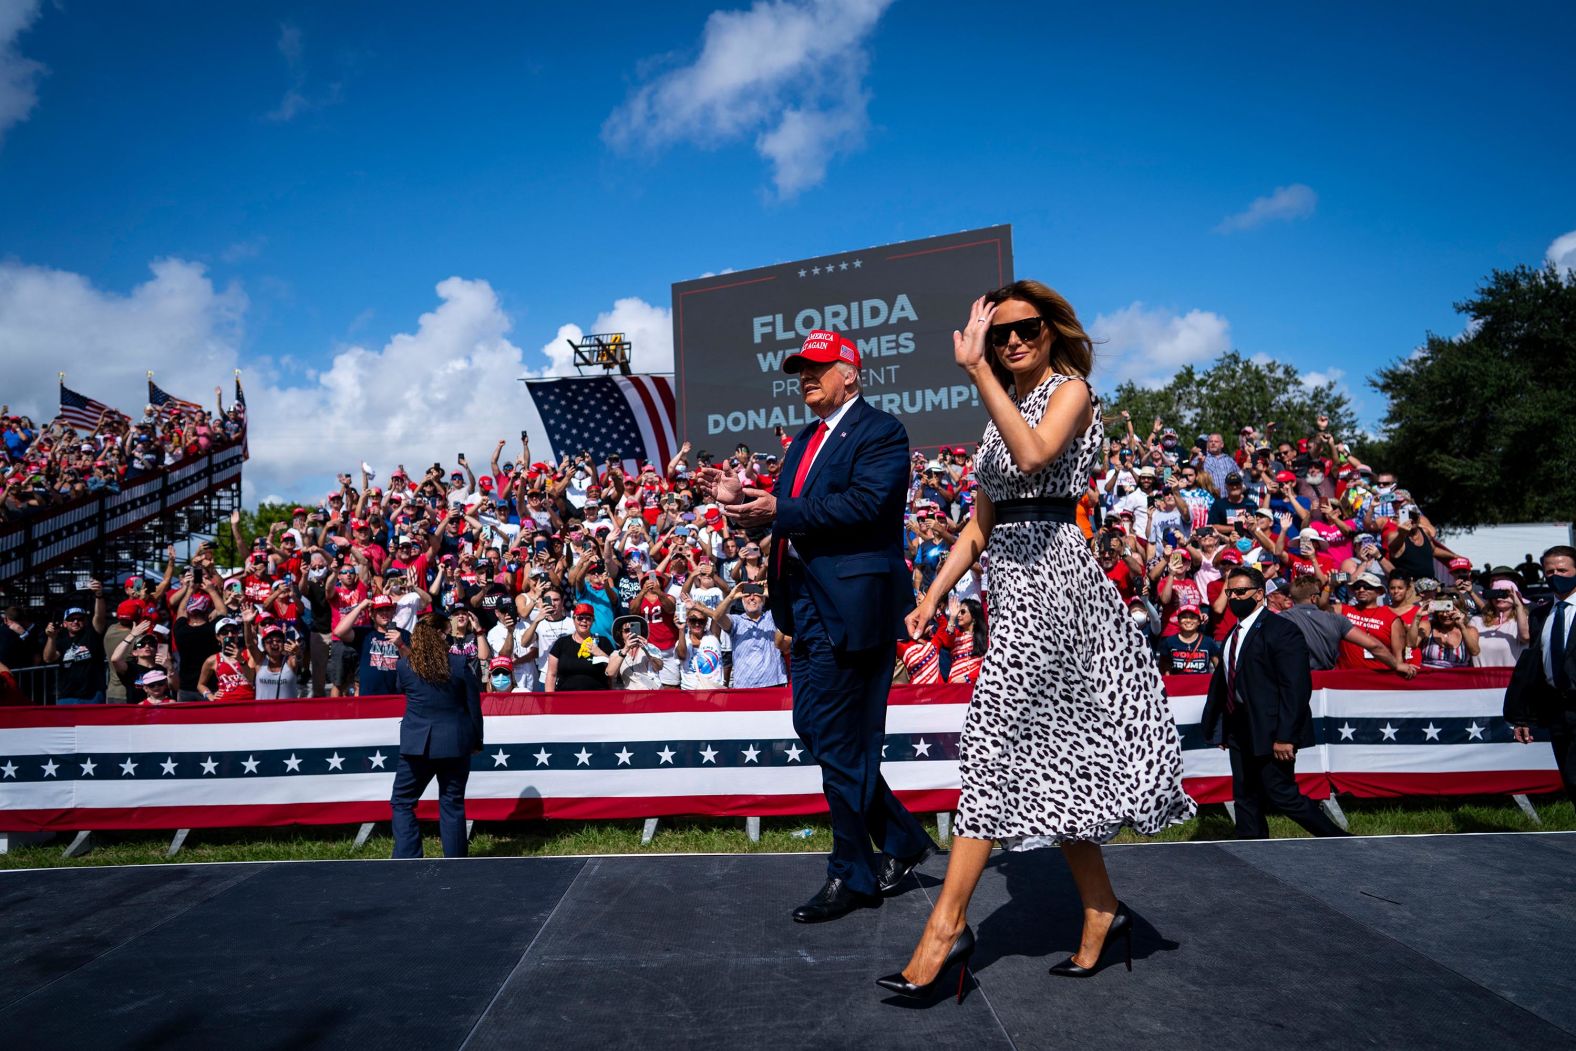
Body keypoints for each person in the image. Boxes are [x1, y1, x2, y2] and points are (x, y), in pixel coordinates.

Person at [880, 283, 1193, 1003]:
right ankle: (1102, 911)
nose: (1012, 341)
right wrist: (932, 595)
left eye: (1024, 329)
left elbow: (1033, 458)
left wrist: (978, 373)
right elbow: (979, 524)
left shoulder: (1070, 391)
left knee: (992, 742)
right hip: (1010, 589)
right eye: (1000, 334)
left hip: (1058, 585)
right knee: (1050, 757)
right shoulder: (996, 411)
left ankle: (945, 928)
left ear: (1051, 332)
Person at [700, 327, 936, 926]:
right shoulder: (805, 438)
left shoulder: (882, 431)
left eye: (818, 366)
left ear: (850, 372)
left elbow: (864, 507)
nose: (805, 376)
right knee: (822, 732)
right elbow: (784, 521)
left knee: (839, 739)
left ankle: (851, 873)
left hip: (853, 608)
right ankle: (903, 840)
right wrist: (742, 502)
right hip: (802, 607)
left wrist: (779, 508)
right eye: (800, 368)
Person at [1201, 566, 1349, 840]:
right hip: (1239, 727)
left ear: (1259, 595)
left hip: (1272, 729)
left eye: (1240, 591)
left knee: (1281, 792)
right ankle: (1251, 845)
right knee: (1244, 793)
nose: (1233, 597)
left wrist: (1285, 736)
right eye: (1229, 592)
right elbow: (1226, 683)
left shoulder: (1282, 630)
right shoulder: (1233, 634)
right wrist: (1223, 727)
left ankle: (1335, 838)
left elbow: (1295, 688)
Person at [391, 613, 484, 858]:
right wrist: (476, 741)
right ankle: (455, 863)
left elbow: (401, 687)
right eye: (448, 633)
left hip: (417, 745)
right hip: (455, 743)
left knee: (402, 802)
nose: (451, 638)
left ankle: (407, 860)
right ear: (441, 635)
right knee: (452, 803)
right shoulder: (459, 664)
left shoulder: (404, 666)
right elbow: (474, 706)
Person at [1505, 546, 1576, 802]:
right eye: (1550, 571)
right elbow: (1533, 667)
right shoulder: (1541, 614)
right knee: (1572, 779)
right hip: (1558, 710)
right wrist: (1521, 716)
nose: (1556, 575)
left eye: (1562, 570)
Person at [1279, 576, 1418, 677]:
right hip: (1339, 679)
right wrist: (1330, 586)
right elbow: (1321, 608)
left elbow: (1397, 652)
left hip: (1375, 678)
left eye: (1367, 586)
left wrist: (1398, 665)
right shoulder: (1340, 613)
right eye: (1357, 587)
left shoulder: (1391, 617)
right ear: (1314, 597)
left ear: (1379, 591)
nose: (1361, 590)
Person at [708, 581, 787, 688]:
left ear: (763, 599)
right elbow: (717, 617)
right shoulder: (736, 621)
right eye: (747, 594)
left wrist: (770, 593)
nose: (752, 597)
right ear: (742, 599)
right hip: (744, 685)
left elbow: (789, 608)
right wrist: (731, 596)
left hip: (773, 683)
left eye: (756, 594)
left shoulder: (772, 616)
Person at [44, 599, 110, 705]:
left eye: (80, 619)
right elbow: (48, 658)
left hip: (92, 696)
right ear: (65, 624)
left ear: (85, 621)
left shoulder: (92, 635)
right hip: (67, 696)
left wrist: (99, 595)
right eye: (71, 619)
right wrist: (51, 638)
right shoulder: (61, 641)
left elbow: (100, 616)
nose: (75, 622)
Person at [544, 603, 612, 692]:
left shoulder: (603, 642)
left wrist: (600, 654)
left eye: (588, 618)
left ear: (593, 621)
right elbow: (551, 674)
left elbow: (613, 672)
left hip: (596, 699)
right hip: (566, 699)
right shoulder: (562, 643)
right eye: (580, 618)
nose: (584, 621)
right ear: (574, 619)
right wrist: (549, 701)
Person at [1472, 575, 1531, 667]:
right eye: (1495, 594)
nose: (1499, 598)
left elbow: (1525, 637)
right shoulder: (1476, 621)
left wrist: (1519, 605)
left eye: (1505, 594)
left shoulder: (1523, 621)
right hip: (1481, 678)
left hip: (1511, 678)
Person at [1154, 604, 1221, 674]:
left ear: (1199, 622)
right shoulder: (1169, 642)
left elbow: (1218, 667)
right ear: (1179, 621)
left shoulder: (1208, 642)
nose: (1188, 620)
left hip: (1202, 684)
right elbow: (1164, 668)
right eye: (1184, 617)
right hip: (1178, 684)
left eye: (1192, 617)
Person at [607, 614, 665, 689]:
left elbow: (659, 667)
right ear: (621, 634)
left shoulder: (650, 648)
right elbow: (610, 673)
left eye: (634, 629)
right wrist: (625, 649)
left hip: (653, 695)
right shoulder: (616, 654)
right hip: (631, 697)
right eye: (627, 630)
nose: (631, 633)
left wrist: (646, 649)